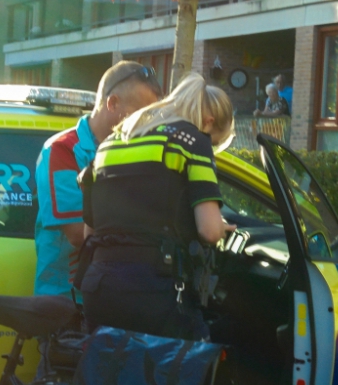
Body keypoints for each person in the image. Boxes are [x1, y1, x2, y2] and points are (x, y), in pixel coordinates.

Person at [79, 74, 235, 341]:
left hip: (99, 287)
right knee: (194, 365)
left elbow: (89, 233)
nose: (212, 146)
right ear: (208, 122)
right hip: (154, 291)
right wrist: (220, 227)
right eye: (216, 142)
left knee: (111, 375)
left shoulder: (109, 144)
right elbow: (209, 232)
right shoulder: (193, 141)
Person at [33, 62, 162, 301]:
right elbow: (78, 234)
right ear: (112, 103)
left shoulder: (136, 148)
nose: (148, 123)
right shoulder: (62, 150)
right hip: (68, 302)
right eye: (142, 113)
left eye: (152, 115)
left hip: (117, 295)